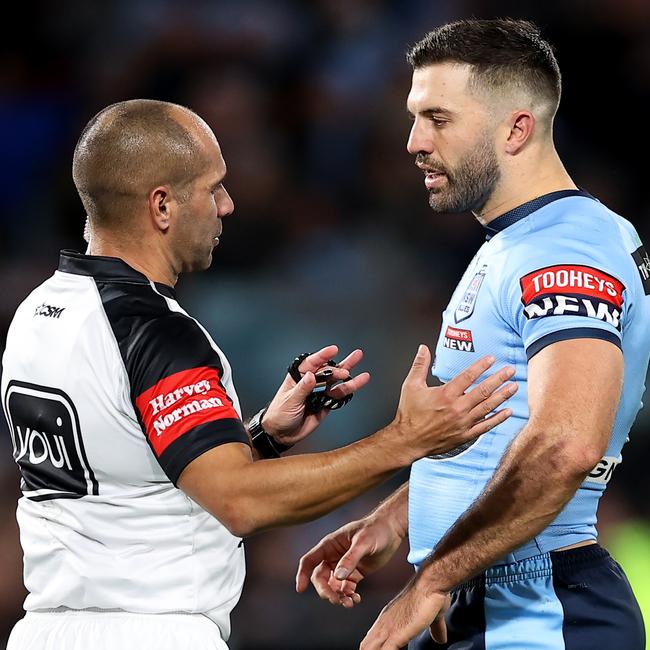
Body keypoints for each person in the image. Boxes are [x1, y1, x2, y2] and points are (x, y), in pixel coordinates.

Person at [0, 99, 518, 650]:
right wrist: (406, 440)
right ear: (162, 206)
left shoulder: (39, 312)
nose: (227, 205)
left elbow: (128, 473)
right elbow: (239, 502)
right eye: (212, 188)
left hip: (46, 631)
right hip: (152, 631)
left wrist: (262, 438)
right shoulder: (154, 331)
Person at [296, 19, 650, 650]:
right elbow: (504, 434)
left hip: (545, 608)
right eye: (414, 116)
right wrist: (402, 515)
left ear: (516, 128)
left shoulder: (562, 250)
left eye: (438, 118)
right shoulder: (524, 241)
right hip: (506, 599)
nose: (412, 142)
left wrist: (432, 579)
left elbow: (566, 444)